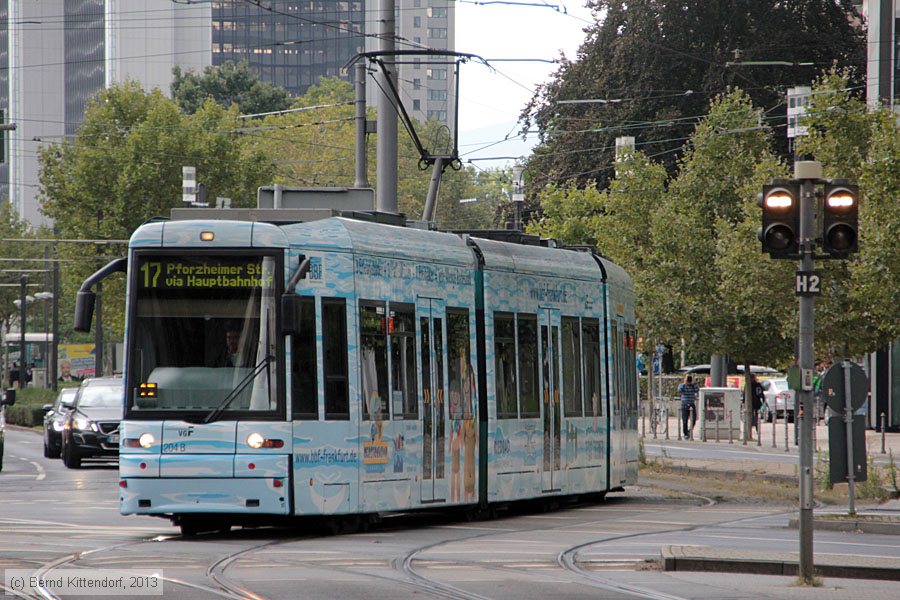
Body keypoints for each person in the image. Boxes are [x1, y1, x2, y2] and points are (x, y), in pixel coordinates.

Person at [678, 374, 699, 439]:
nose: (689, 380)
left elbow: (697, 390)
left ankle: (690, 430)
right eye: (688, 379)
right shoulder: (682, 385)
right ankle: (685, 433)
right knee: (685, 420)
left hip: (692, 404)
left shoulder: (693, 386)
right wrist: (685, 383)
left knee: (694, 419)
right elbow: (679, 390)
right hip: (684, 404)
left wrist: (694, 382)